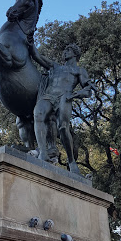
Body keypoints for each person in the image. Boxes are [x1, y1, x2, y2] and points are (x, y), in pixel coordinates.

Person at [32, 43, 94, 173]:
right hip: (49, 95)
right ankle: (43, 153)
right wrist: (30, 40)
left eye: (68, 50)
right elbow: (37, 55)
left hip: (65, 97)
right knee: (38, 114)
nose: (65, 52)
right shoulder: (55, 66)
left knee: (63, 128)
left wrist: (76, 94)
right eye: (64, 50)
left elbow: (88, 91)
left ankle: (71, 161)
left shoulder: (79, 70)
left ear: (75, 54)